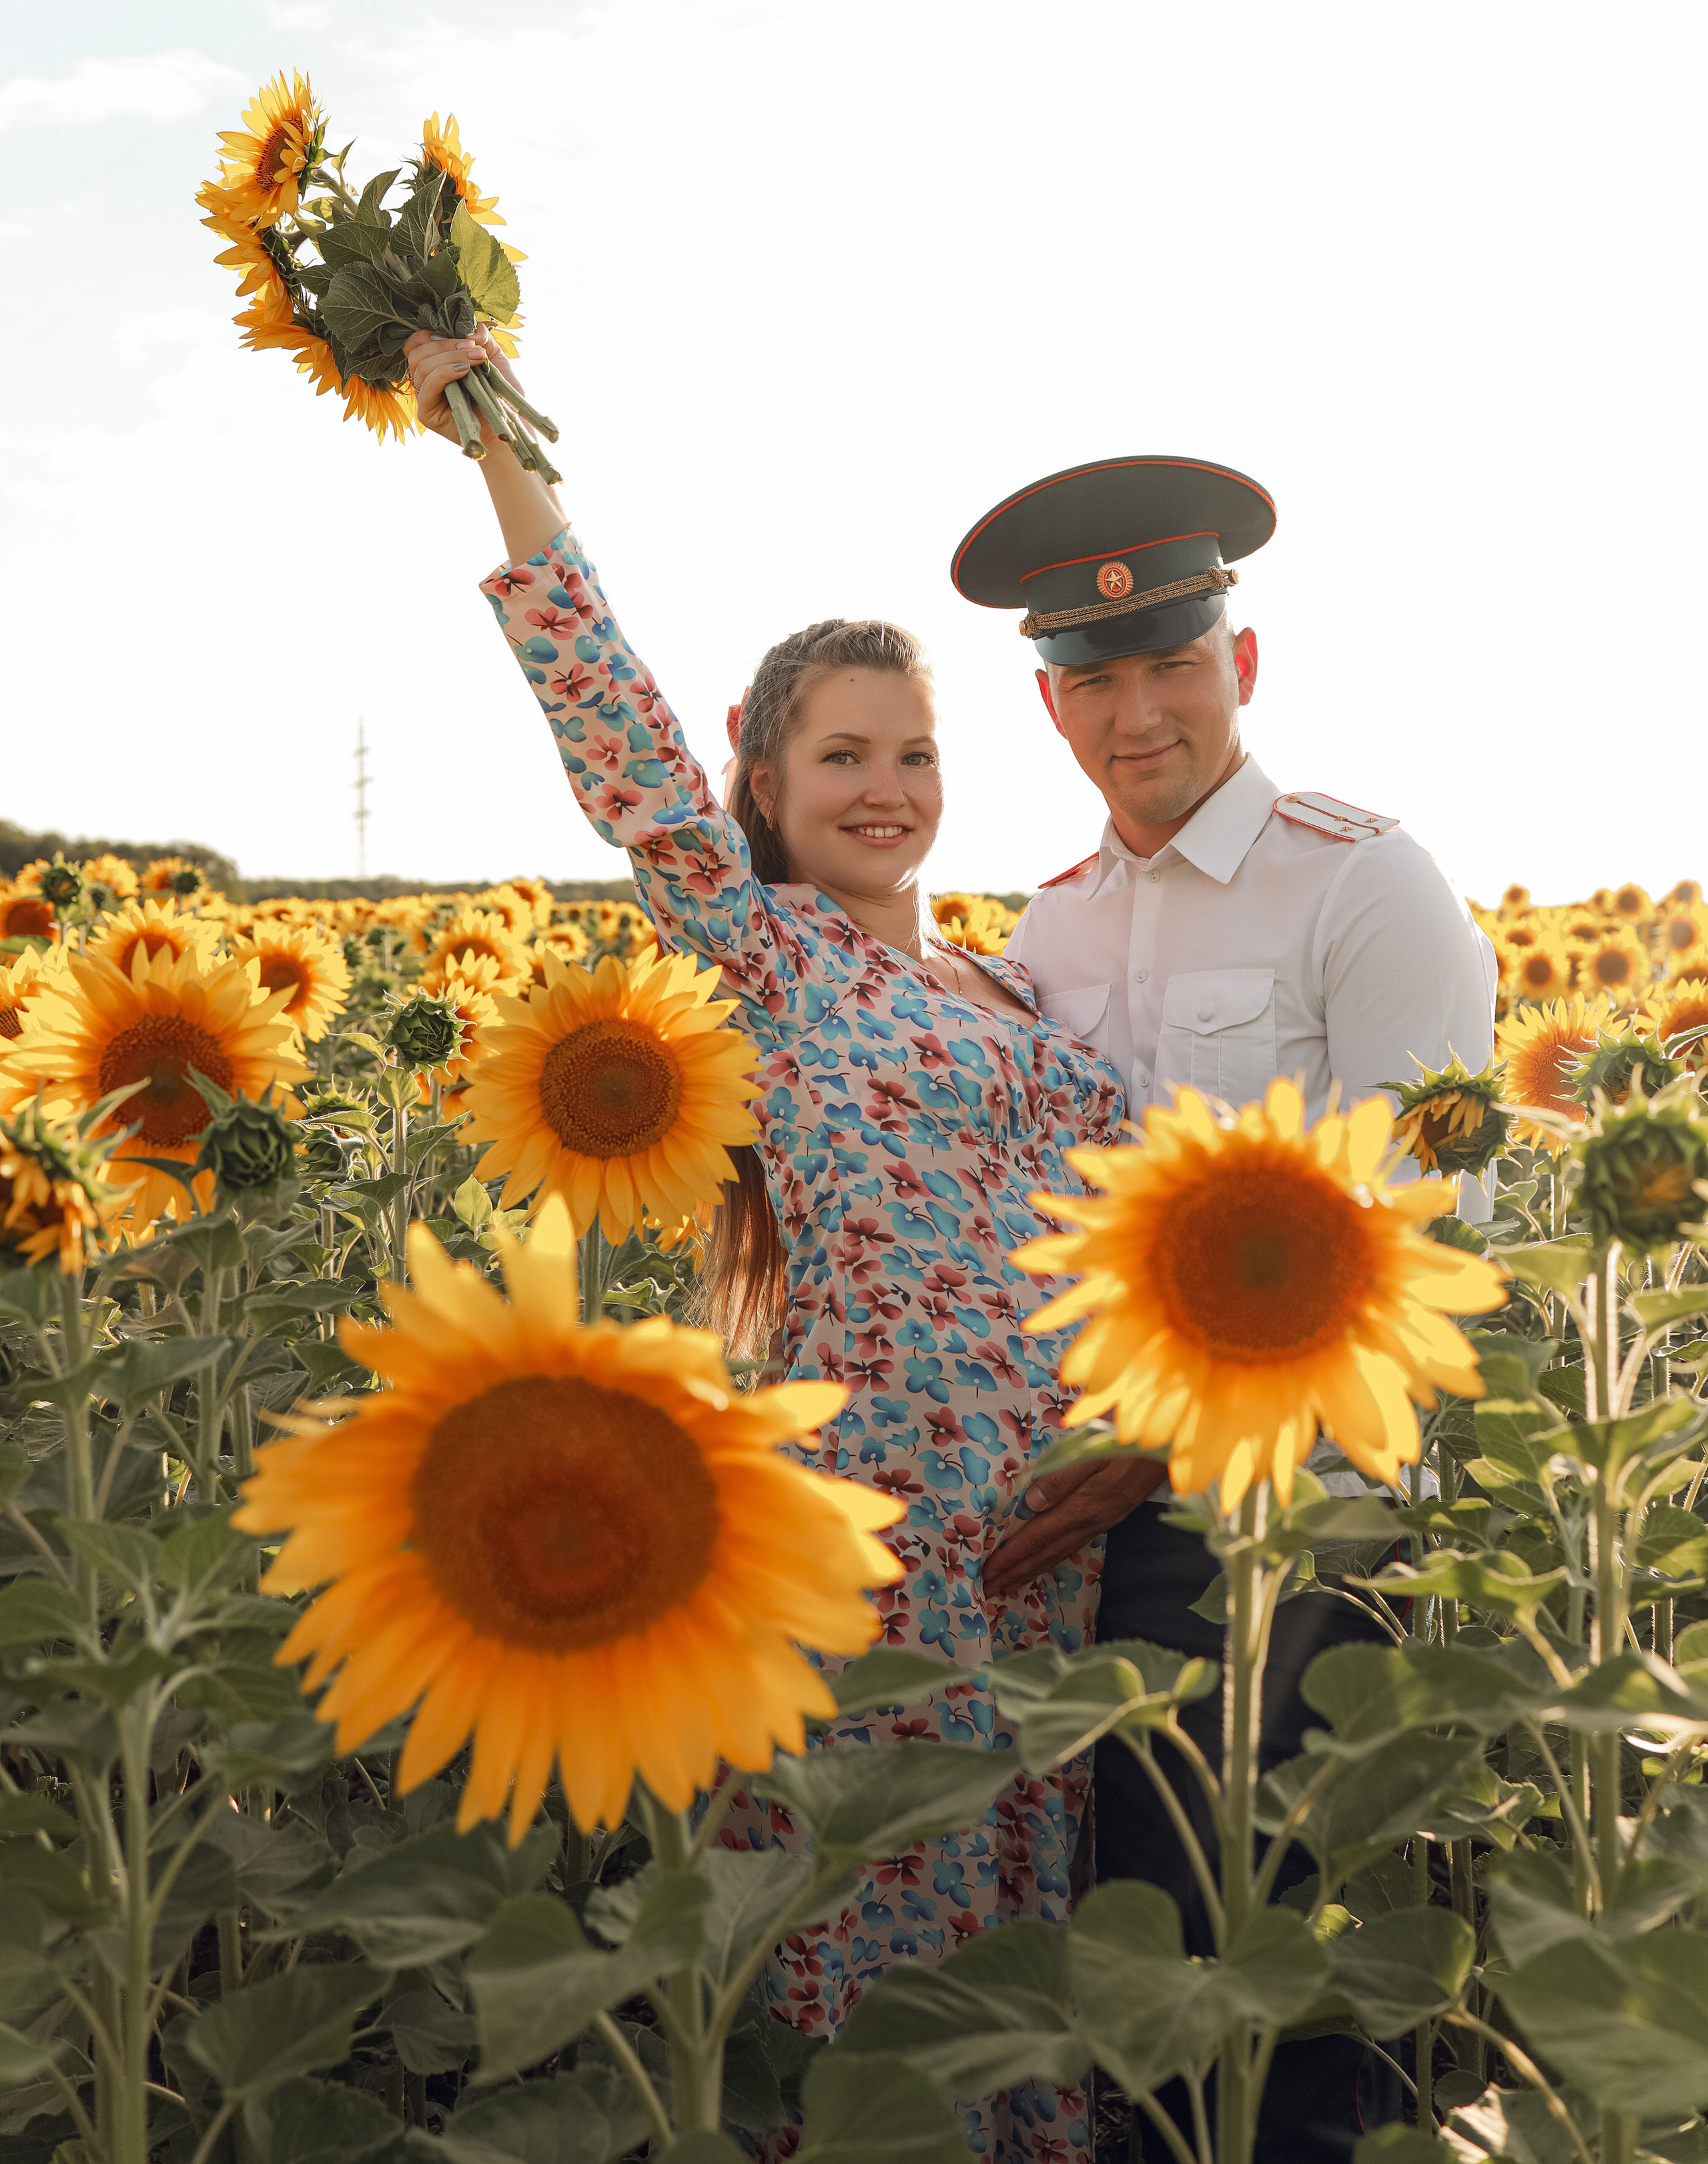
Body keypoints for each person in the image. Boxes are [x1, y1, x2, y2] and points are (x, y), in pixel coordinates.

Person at [403, 326, 1129, 2164]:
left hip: (1047, 1527)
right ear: (764, 766)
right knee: (871, 1928)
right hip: (865, 1520)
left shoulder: (1010, 981)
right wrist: (490, 435)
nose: (884, 787)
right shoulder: (768, 952)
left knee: (1026, 1947)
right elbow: (610, 724)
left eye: (914, 752)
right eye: (843, 753)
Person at [958, 456, 1497, 2163]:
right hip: (1094, 1530)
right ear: (1050, 705)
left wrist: (1150, 1441)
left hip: (1300, 1530)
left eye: (1169, 665)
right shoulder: (1046, 926)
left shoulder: (1363, 886)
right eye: (1096, 680)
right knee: (1130, 1976)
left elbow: (1413, 1238)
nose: (1138, 714)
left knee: (1283, 1986)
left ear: (1239, 668)